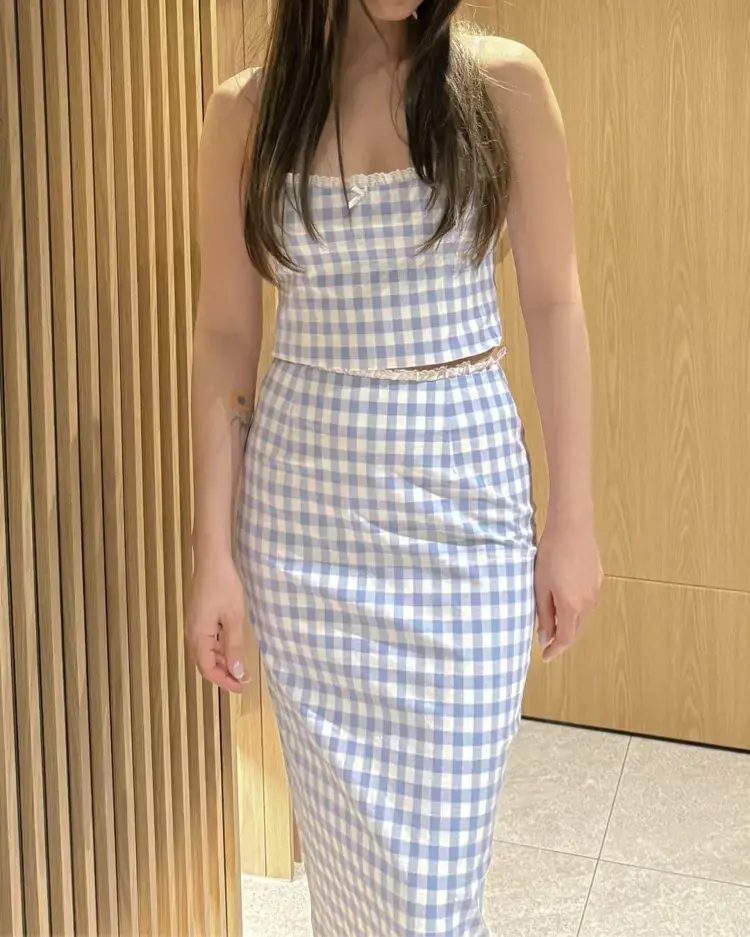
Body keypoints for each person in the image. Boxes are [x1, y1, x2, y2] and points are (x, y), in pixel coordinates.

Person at [186, 1, 603, 933]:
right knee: (350, 885)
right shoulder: (245, 113)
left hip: (467, 519)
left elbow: (554, 301)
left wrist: (572, 520)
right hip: (304, 536)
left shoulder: (502, 83)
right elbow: (224, 337)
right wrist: (213, 551)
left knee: (433, 894)